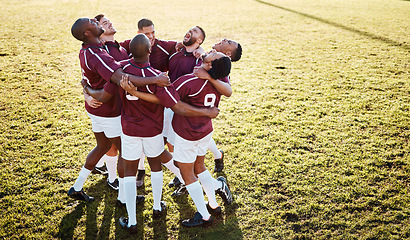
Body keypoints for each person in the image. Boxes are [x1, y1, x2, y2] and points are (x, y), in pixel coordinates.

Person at [116, 34, 219, 233]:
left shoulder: (121, 70)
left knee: (129, 172)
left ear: (131, 52)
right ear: (149, 51)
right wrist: (207, 112)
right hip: (153, 130)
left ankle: (132, 221)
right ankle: (156, 206)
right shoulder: (159, 77)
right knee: (156, 166)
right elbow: (171, 103)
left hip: (129, 128)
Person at [68, 17, 170, 202]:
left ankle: (76, 187)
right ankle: (124, 197)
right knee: (127, 154)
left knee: (103, 145)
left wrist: (87, 90)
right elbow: (123, 79)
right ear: (87, 33)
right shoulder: (98, 55)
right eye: (92, 22)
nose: (96, 20)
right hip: (109, 112)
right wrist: (155, 79)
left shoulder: (89, 50)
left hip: (96, 111)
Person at [170, 50, 234, 227]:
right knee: (199, 166)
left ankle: (204, 216)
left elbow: (167, 98)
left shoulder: (190, 80)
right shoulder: (219, 81)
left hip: (188, 134)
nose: (212, 50)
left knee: (187, 173)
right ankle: (213, 204)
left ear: (210, 65)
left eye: (214, 54)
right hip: (205, 131)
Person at [83, 14, 130, 191]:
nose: (109, 23)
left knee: (106, 144)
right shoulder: (100, 52)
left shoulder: (120, 47)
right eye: (104, 23)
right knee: (114, 146)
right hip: (108, 108)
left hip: (119, 106)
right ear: (98, 34)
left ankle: (111, 177)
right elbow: (86, 77)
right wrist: (87, 94)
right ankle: (113, 178)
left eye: (109, 21)